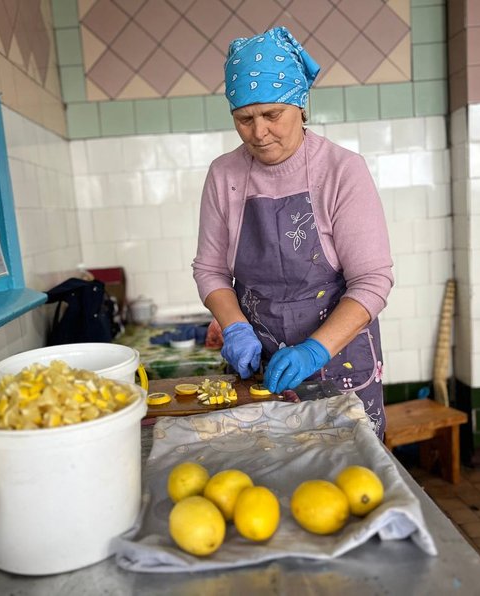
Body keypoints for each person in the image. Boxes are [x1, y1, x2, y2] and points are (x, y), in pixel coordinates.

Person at [192, 27, 394, 439]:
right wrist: (233, 327)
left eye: (271, 115)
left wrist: (316, 349)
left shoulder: (341, 170)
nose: (259, 132)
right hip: (261, 370)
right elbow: (210, 270)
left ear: (300, 105)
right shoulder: (223, 175)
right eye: (244, 119)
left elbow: (373, 281)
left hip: (341, 365)